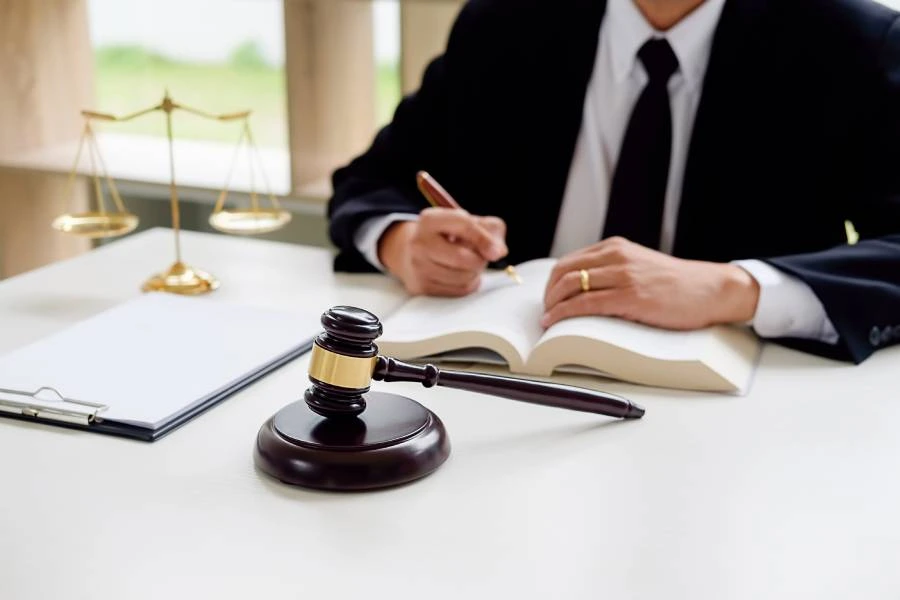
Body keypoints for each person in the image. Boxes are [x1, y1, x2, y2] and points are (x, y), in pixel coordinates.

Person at [326, 0, 900, 364]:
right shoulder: (503, 23)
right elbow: (371, 180)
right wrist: (403, 243)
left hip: (738, 419)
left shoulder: (849, 40)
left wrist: (732, 288)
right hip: (499, 386)